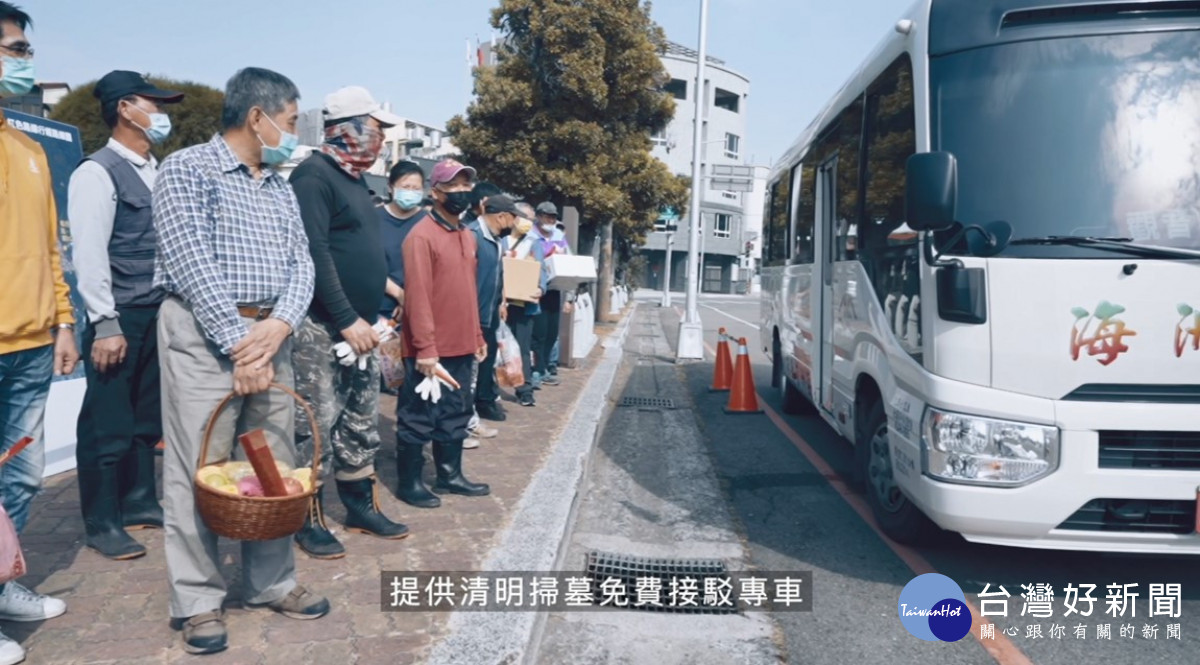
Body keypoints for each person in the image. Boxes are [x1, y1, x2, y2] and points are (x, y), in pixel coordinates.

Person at [153, 67, 328, 655]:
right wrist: (239, 341)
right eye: (292, 118)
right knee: (199, 466)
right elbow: (189, 261)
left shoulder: (278, 186)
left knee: (274, 466)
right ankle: (199, 602)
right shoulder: (187, 169)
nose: (293, 130)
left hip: (270, 337)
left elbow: (302, 264)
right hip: (205, 336)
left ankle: (270, 583)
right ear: (259, 116)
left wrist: (278, 326)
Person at [68, 70, 184, 561]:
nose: (161, 114)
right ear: (125, 109)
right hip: (119, 317)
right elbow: (90, 255)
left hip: (157, 312)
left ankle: (139, 499)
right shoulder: (96, 173)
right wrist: (105, 323)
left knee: (145, 416)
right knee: (106, 423)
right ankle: (102, 520)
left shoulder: (155, 170)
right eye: (152, 104)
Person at [289, 86, 407, 560]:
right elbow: (314, 252)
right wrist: (344, 318)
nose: (379, 140)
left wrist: (388, 292)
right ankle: (306, 516)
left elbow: (359, 250)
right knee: (315, 423)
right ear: (347, 128)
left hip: (363, 327)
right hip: (324, 327)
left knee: (360, 420)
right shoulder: (312, 177)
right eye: (375, 129)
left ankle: (359, 505)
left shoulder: (357, 180)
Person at [0, 6, 76, 660]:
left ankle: (3, 585)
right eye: (13, 49)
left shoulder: (27, 150)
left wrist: (63, 320)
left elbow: (52, 249)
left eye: (25, 50)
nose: (24, 61)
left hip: (30, 348)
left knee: (21, 477)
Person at [393, 159, 490, 509]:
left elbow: (468, 292)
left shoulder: (467, 235)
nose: (462, 193)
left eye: (466, 186)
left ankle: (450, 474)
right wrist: (425, 348)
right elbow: (417, 296)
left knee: (456, 411)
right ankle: (409, 482)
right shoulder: (421, 236)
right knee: (419, 415)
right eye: (454, 187)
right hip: (429, 349)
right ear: (435, 192)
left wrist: (477, 335)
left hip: (462, 343)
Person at [467, 194, 521, 425]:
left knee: (486, 362)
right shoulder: (472, 236)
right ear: (501, 216)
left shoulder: (497, 240)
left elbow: (498, 275)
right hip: (471, 316)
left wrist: (501, 302)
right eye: (513, 219)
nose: (514, 225)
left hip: (489, 314)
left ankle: (483, 402)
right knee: (468, 369)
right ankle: (466, 416)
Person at [503, 202, 545, 407]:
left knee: (522, 348)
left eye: (531, 219)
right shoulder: (500, 238)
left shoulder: (534, 242)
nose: (527, 222)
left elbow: (542, 271)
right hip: (500, 304)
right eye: (524, 217)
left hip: (524, 304)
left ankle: (524, 389)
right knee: (497, 346)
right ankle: (492, 386)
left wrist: (540, 289)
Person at [530, 202, 575, 388]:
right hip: (537, 291)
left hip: (555, 291)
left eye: (553, 217)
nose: (550, 220)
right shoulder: (531, 236)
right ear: (539, 216)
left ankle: (545, 368)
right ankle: (534, 371)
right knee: (538, 334)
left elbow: (570, 264)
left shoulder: (559, 236)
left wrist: (570, 296)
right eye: (547, 216)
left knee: (551, 333)